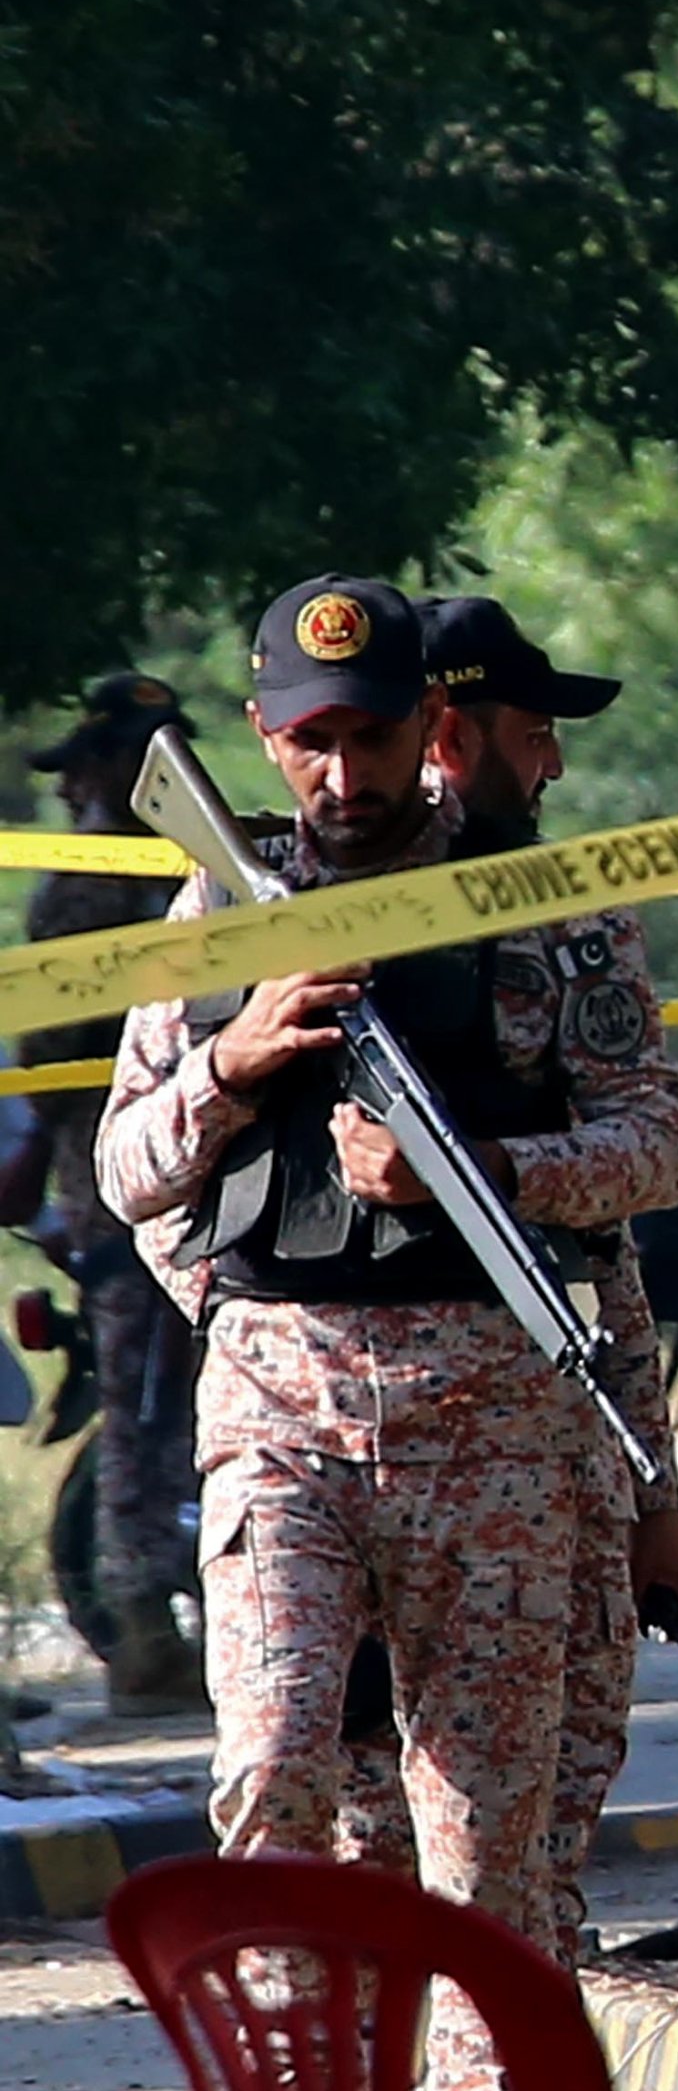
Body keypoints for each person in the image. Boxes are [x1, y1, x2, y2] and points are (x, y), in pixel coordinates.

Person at [92, 577, 678, 2091]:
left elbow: (657, 1148)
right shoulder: (216, 908)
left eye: (370, 741)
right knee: (273, 1766)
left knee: (481, 1837)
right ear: (266, 740)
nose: (339, 781)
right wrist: (236, 1062)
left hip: (492, 1415)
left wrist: (484, 1171)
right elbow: (123, 1170)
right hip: (279, 1399)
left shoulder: (549, 909)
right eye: (308, 746)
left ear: (431, 727)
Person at [326, 596, 678, 1956]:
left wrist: (651, 1495)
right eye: (534, 732)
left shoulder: (568, 919)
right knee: (375, 1842)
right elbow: (171, 1198)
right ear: (450, 733)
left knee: (536, 1836)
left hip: (550, 1448)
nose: (551, 767)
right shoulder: (284, 922)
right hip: (341, 1456)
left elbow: (640, 1181)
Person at [18, 675, 203, 1710]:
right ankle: (141, 1624)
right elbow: (53, 1048)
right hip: (119, 1178)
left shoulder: (186, 866)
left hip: (204, 1165)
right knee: (139, 1397)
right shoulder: (84, 886)